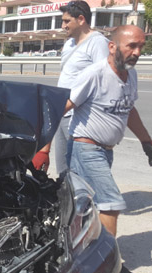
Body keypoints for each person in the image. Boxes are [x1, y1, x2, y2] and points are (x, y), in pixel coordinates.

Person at [65, 25, 152, 273]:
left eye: (141, 46)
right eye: (131, 45)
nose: (137, 52)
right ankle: (109, 266)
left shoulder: (131, 76)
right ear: (112, 46)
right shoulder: (94, 75)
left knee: (84, 206)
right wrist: (42, 146)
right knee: (111, 203)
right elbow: (65, 105)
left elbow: (129, 110)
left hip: (105, 151)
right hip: (85, 147)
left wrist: (146, 141)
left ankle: (73, 253)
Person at [32, 0, 109, 173]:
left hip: (81, 117)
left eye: (67, 21)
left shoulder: (98, 43)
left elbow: (104, 82)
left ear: (81, 19)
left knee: (79, 169)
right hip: (63, 111)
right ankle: (67, 197)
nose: (63, 25)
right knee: (63, 168)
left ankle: (82, 199)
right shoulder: (69, 44)